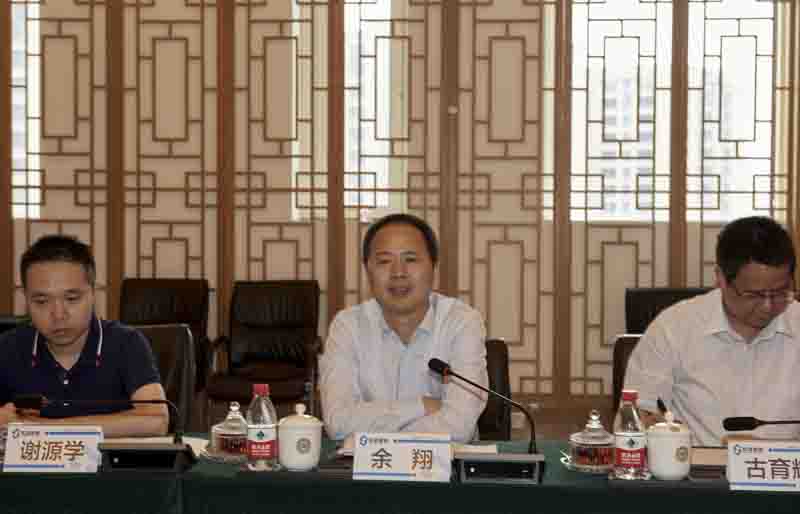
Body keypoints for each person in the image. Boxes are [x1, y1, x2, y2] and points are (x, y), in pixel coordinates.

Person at [624, 216, 800, 446]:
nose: (767, 306)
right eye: (754, 295)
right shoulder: (674, 328)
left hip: (784, 466)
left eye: (779, 292)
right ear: (721, 279)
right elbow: (636, 417)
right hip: (693, 466)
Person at [320, 213, 488, 443]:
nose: (398, 272)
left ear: (433, 266)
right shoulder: (347, 326)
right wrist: (422, 405)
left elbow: (459, 427)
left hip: (444, 464)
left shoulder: (461, 322)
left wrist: (376, 433)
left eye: (410, 259)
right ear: (367, 270)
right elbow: (338, 422)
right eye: (384, 261)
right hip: (369, 465)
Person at [0, 235, 168, 437]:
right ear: (26, 300)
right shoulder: (8, 347)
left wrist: (40, 428)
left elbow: (156, 420)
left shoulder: (126, 343)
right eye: (42, 302)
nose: (58, 314)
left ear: (93, 294)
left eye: (72, 299)